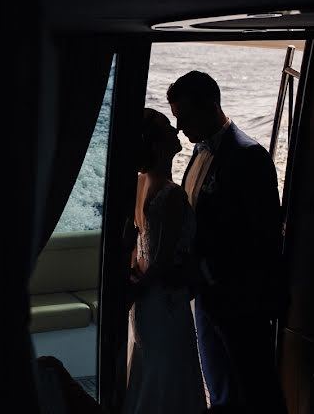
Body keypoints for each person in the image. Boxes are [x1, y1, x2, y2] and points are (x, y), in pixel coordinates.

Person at [167, 71, 288, 413]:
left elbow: (262, 238)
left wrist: (204, 268)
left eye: (185, 117)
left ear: (211, 106)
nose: (180, 128)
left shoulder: (249, 156)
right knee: (221, 393)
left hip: (241, 299)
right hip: (206, 298)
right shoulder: (199, 152)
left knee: (257, 390)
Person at [123, 108, 206, 414]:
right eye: (169, 128)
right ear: (158, 145)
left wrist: (136, 283)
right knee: (172, 376)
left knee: (153, 374)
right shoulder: (171, 195)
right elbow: (163, 261)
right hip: (167, 303)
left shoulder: (139, 183)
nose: (177, 131)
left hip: (148, 307)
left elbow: (141, 250)